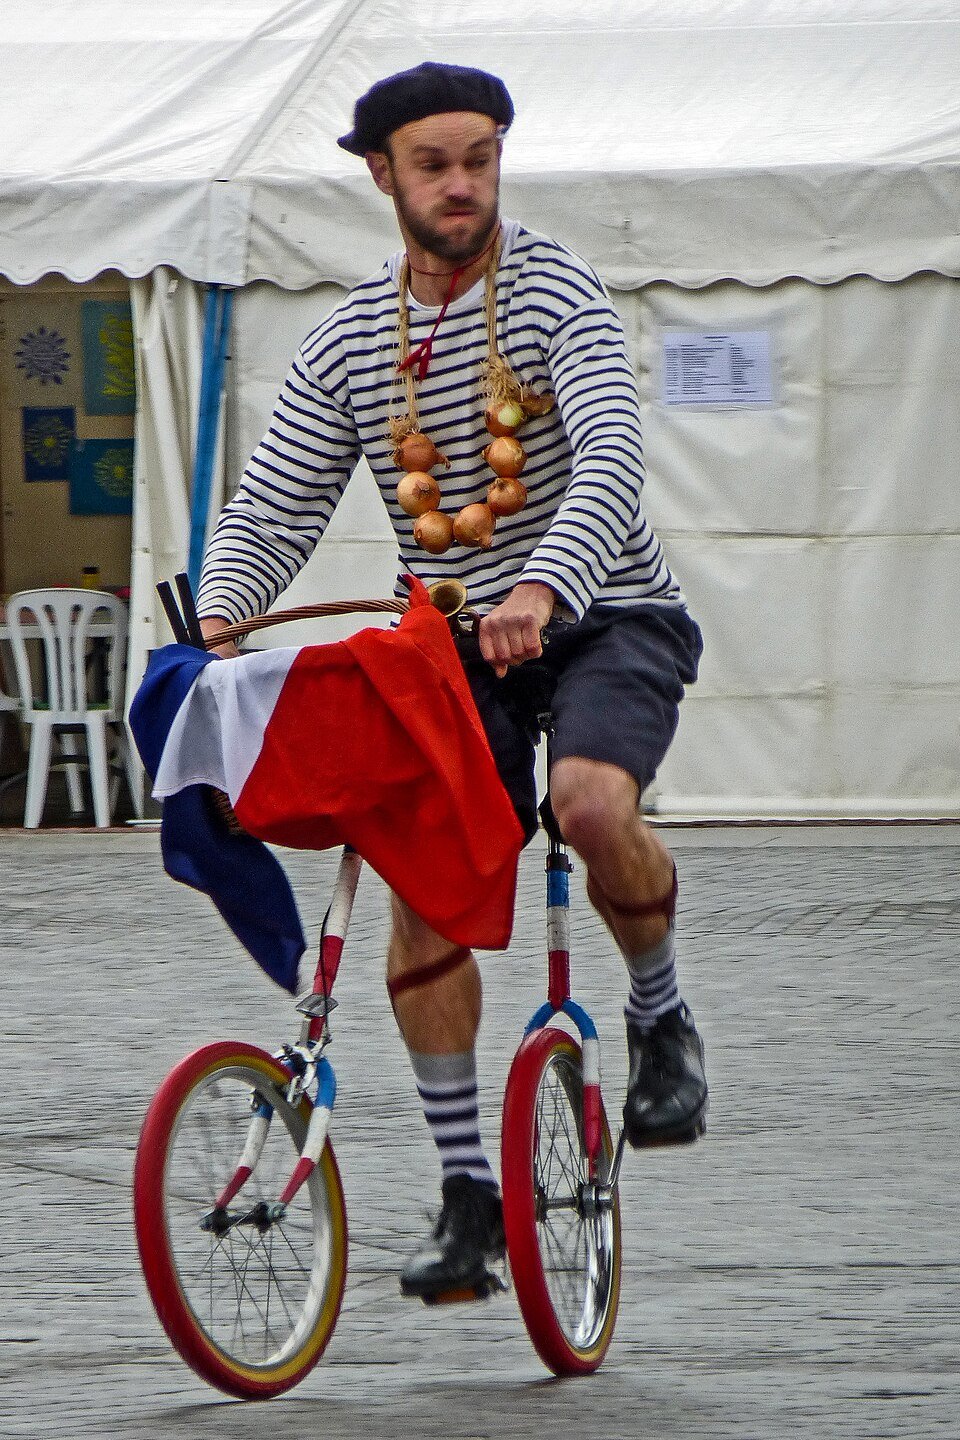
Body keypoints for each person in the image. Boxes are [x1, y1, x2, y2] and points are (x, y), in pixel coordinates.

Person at [196, 60, 707, 1303]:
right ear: (383, 176)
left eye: (480, 157)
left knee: (589, 805)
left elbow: (613, 459)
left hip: (605, 613)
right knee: (426, 875)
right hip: (456, 639)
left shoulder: (557, 293)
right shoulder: (349, 340)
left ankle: (661, 1014)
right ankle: (469, 1193)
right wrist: (217, 614)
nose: (463, 183)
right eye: (434, 163)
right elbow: (273, 505)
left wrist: (548, 590)